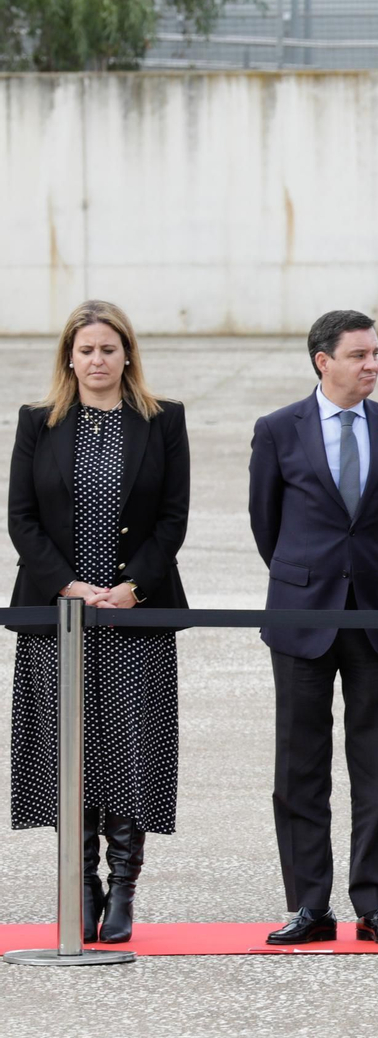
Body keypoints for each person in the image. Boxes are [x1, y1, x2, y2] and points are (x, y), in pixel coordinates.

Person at [7, 300, 190, 945]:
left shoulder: (163, 421)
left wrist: (130, 586)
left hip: (134, 615)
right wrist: (68, 585)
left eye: (108, 349)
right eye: (85, 350)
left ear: (127, 354)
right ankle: (80, 886)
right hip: (60, 616)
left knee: (131, 752)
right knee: (69, 752)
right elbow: (21, 520)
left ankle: (124, 888)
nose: (97, 360)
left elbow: (173, 518)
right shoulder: (39, 422)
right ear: (69, 357)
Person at [248, 310, 378, 946]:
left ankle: (375, 904)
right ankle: (308, 906)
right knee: (300, 768)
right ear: (324, 360)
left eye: (375, 354)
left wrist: (359, 575)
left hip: (374, 614)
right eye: (359, 355)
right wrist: (308, 580)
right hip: (300, 616)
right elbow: (267, 524)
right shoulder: (277, 430)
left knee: (375, 763)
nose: (372, 364)